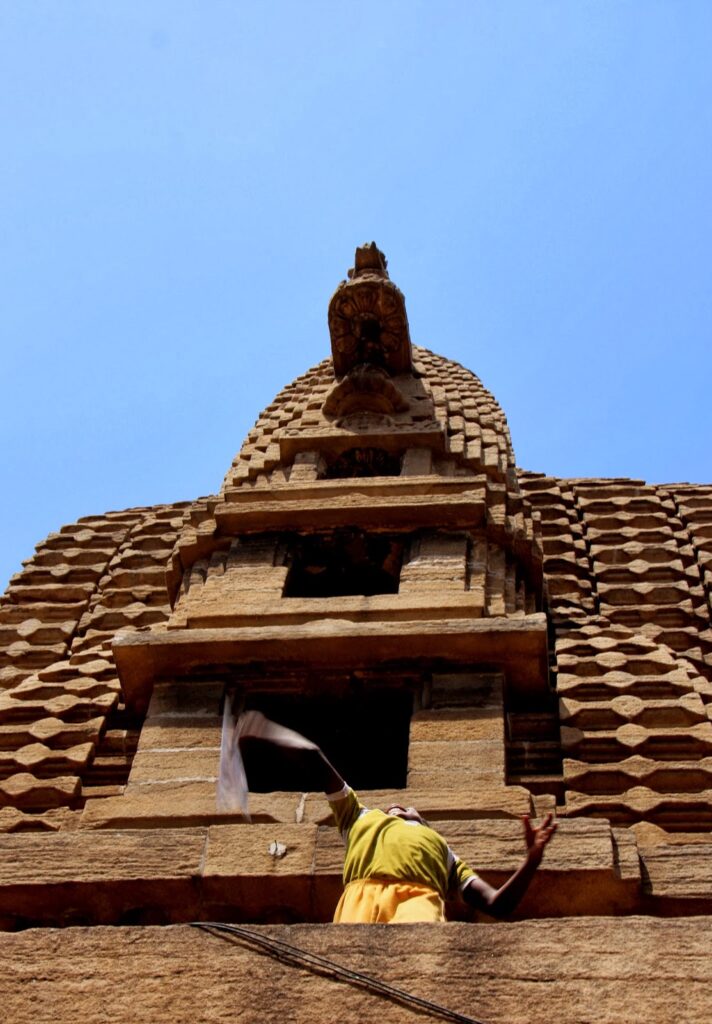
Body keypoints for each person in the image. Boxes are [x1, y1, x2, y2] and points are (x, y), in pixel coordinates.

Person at [236, 710, 557, 924]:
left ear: (426, 826)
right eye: (391, 809)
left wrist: (532, 860)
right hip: (360, 899)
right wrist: (265, 730)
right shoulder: (356, 817)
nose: (398, 807)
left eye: (407, 809)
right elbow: (313, 757)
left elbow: (498, 904)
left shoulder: (446, 855)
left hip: (419, 903)